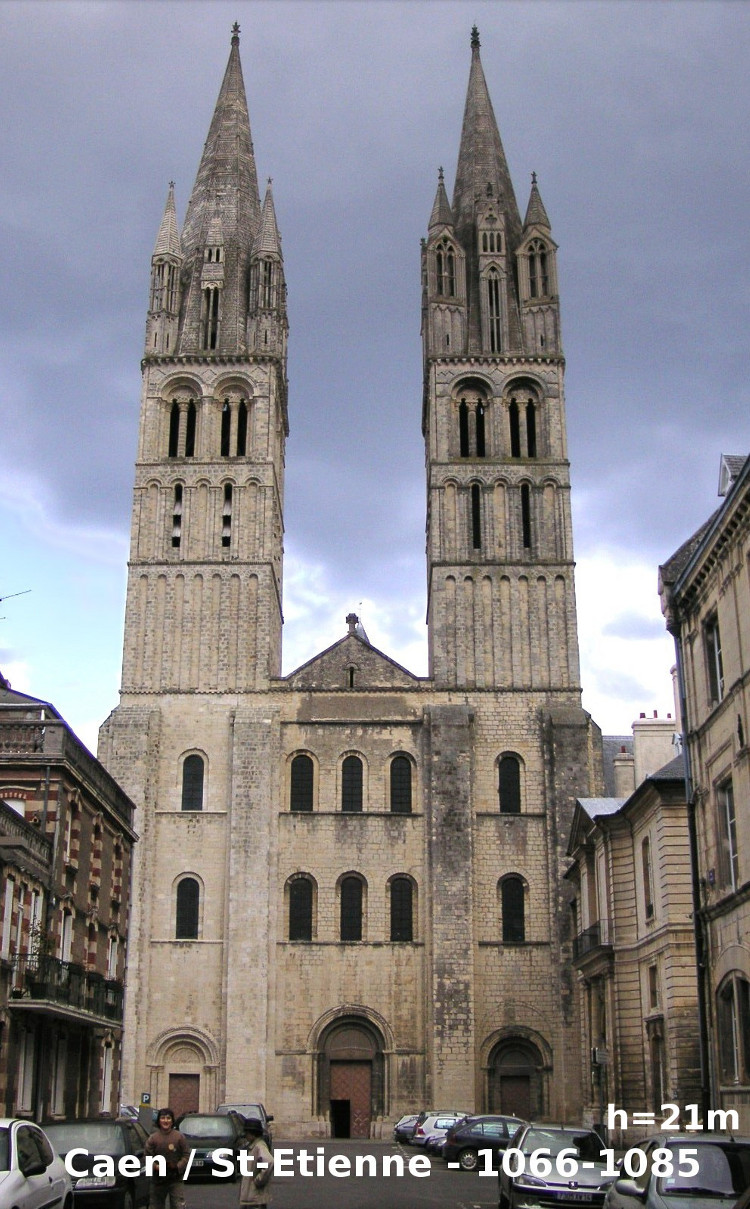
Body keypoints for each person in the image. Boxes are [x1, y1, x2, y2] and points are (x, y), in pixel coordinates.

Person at [145, 1107, 189, 1209]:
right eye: (163, 1118)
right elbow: (147, 1157)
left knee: (178, 1205)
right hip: (158, 1180)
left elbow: (186, 1155)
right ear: (159, 1120)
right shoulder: (153, 1138)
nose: (166, 1121)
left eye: (168, 1118)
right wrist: (156, 1167)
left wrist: (177, 1167)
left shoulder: (179, 1137)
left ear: (172, 1120)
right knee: (156, 1205)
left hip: (175, 1178)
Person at [238, 1117, 273, 1208]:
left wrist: (258, 1180)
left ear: (252, 1134)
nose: (245, 1136)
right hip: (251, 1198)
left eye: (247, 1133)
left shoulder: (259, 1146)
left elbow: (269, 1162)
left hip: (255, 1199)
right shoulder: (254, 1146)